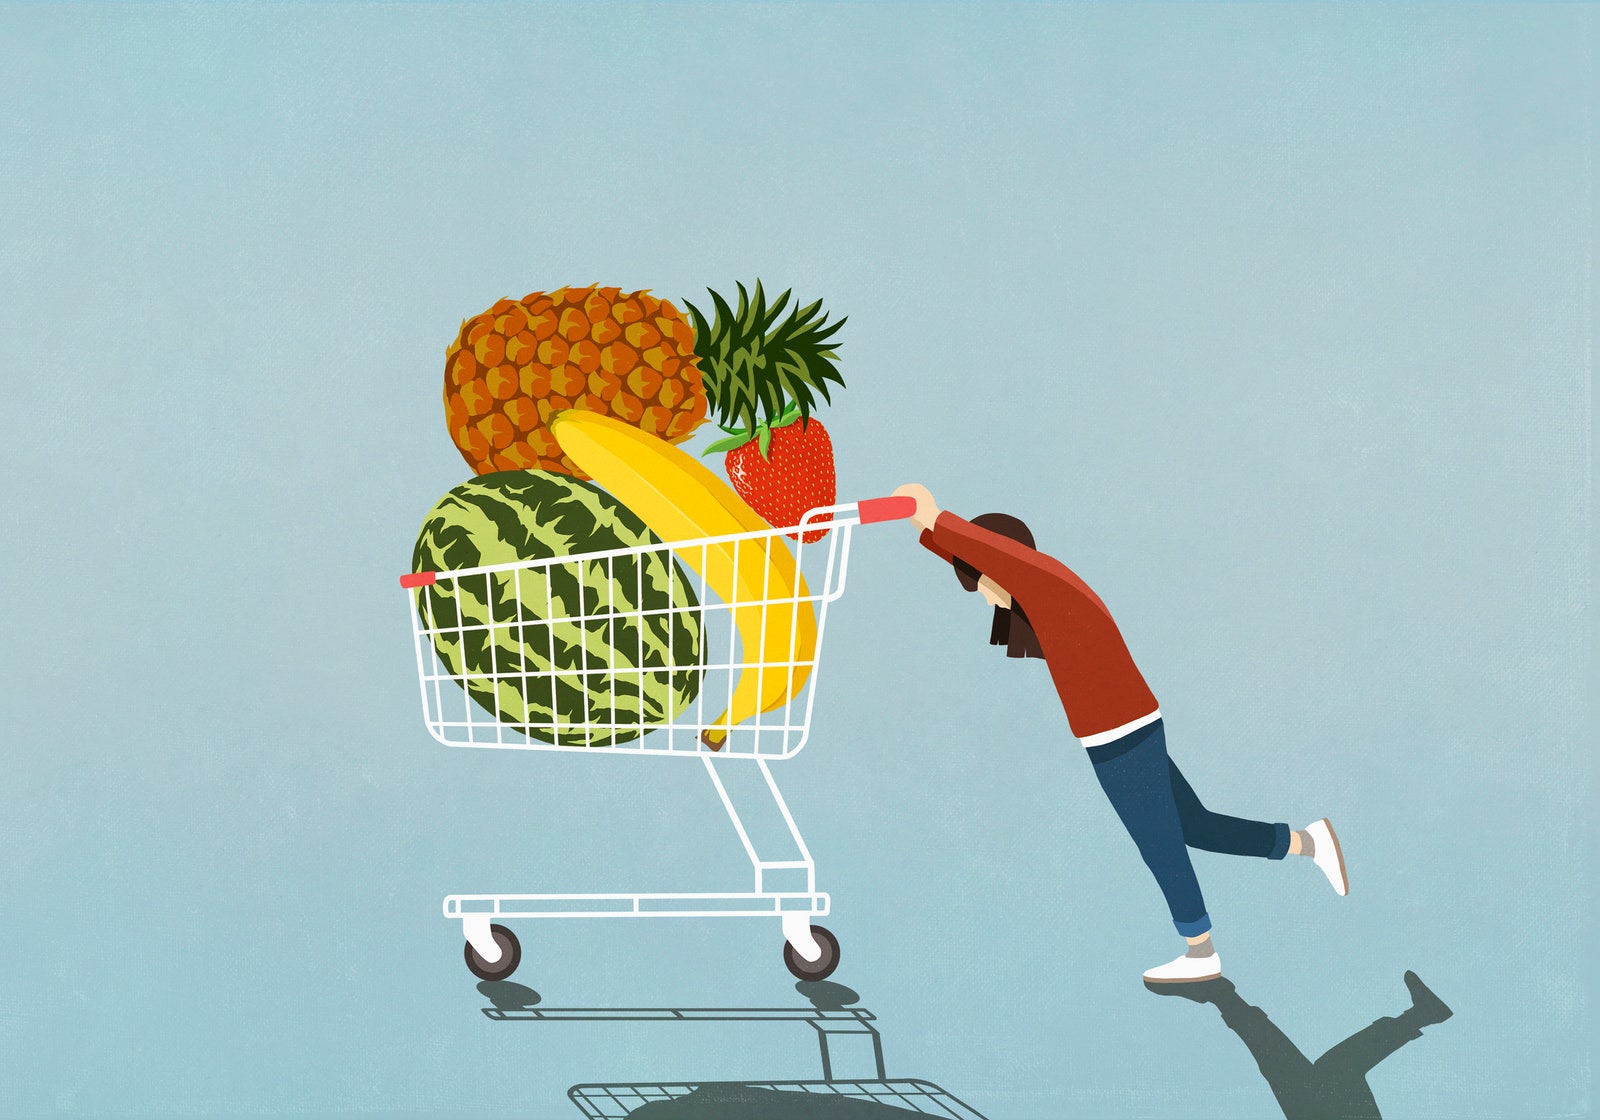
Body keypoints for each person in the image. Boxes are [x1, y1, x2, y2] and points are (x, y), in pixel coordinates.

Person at [892, 483, 1349, 983]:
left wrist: (936, 517)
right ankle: (1307, 842)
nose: (983, 597)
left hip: (1121, 738)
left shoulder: (1043, 585)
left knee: (1160, 845)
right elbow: (992, 558)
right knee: (1194, 826)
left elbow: (1001, 556)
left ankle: (1201, 949)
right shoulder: (1047, 598)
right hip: (1128, 730)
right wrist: (927, 533)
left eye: (979, 583)